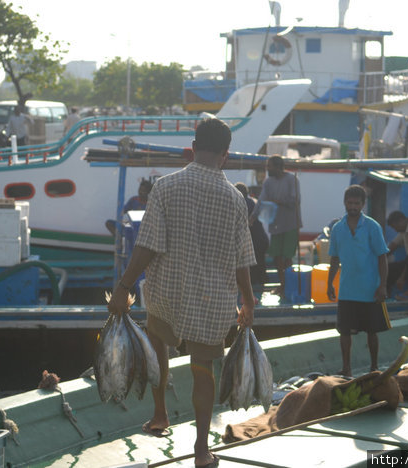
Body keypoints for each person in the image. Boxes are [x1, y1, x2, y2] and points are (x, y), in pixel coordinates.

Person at [107, 117, 255, 468]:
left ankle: (160, 415)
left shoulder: (165, 187)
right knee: (203, 369)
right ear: (226, 155)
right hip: (213, 301)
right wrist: (248, 301)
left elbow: (147, 246)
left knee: (158, 349)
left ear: (191, 147)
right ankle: (202, 451)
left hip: (165, 294)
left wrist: (122, 287)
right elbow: (242, 261)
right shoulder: (236, 200)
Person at [327, 185, 389, 377]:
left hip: (370, 289)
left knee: (372, 331)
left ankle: (374, 367)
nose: (352, 206)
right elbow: (334, 258)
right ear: (345, 203)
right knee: (344, 332)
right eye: (349, 203)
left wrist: (382, 285)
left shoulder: (372, 226)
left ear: (363, 204)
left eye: (356, 203)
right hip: (347, 289)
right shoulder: (337, 228)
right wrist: (329, 283)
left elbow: (382, 257)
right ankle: (346, 368)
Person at [250, 155, 301, 300]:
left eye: (269, 166)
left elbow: (295, 200)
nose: (267, 169)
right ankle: (283, 284)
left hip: (291, 224)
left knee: (287, 257)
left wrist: (277, 201)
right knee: (277, 257)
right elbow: (261, 200)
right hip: (276, 224)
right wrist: (253, 216)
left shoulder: (292, 180)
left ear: (278, 167)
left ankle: (288, 285)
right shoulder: (268, 182)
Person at [236, 182, 269, 287]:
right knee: (261, 267)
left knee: (253, 269)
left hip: (255, 243)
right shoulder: (252, 202)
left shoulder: (242, 203)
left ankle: (255, 289)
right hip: (262, 240)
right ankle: (262, 287)